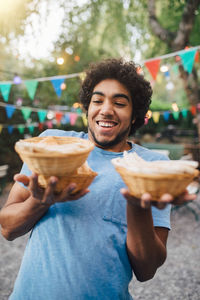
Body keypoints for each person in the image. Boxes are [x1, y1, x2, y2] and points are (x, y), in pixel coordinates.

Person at [0, 58, 196, 300]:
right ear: (87, 108)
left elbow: (147, 270)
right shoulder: (49, 146)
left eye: (120, 103)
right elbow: (7, 228)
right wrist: (39, 202)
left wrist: (136, 206)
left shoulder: (151, 168)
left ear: (135, 115)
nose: (106, 109)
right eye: (97, 100)